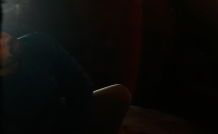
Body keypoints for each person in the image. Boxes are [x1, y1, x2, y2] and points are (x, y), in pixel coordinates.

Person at [0, 31, 131, 134]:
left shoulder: (38, 43)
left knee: (119, 95)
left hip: (64, 118)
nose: (5, 39)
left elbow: (81, 88)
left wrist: (77, 127)